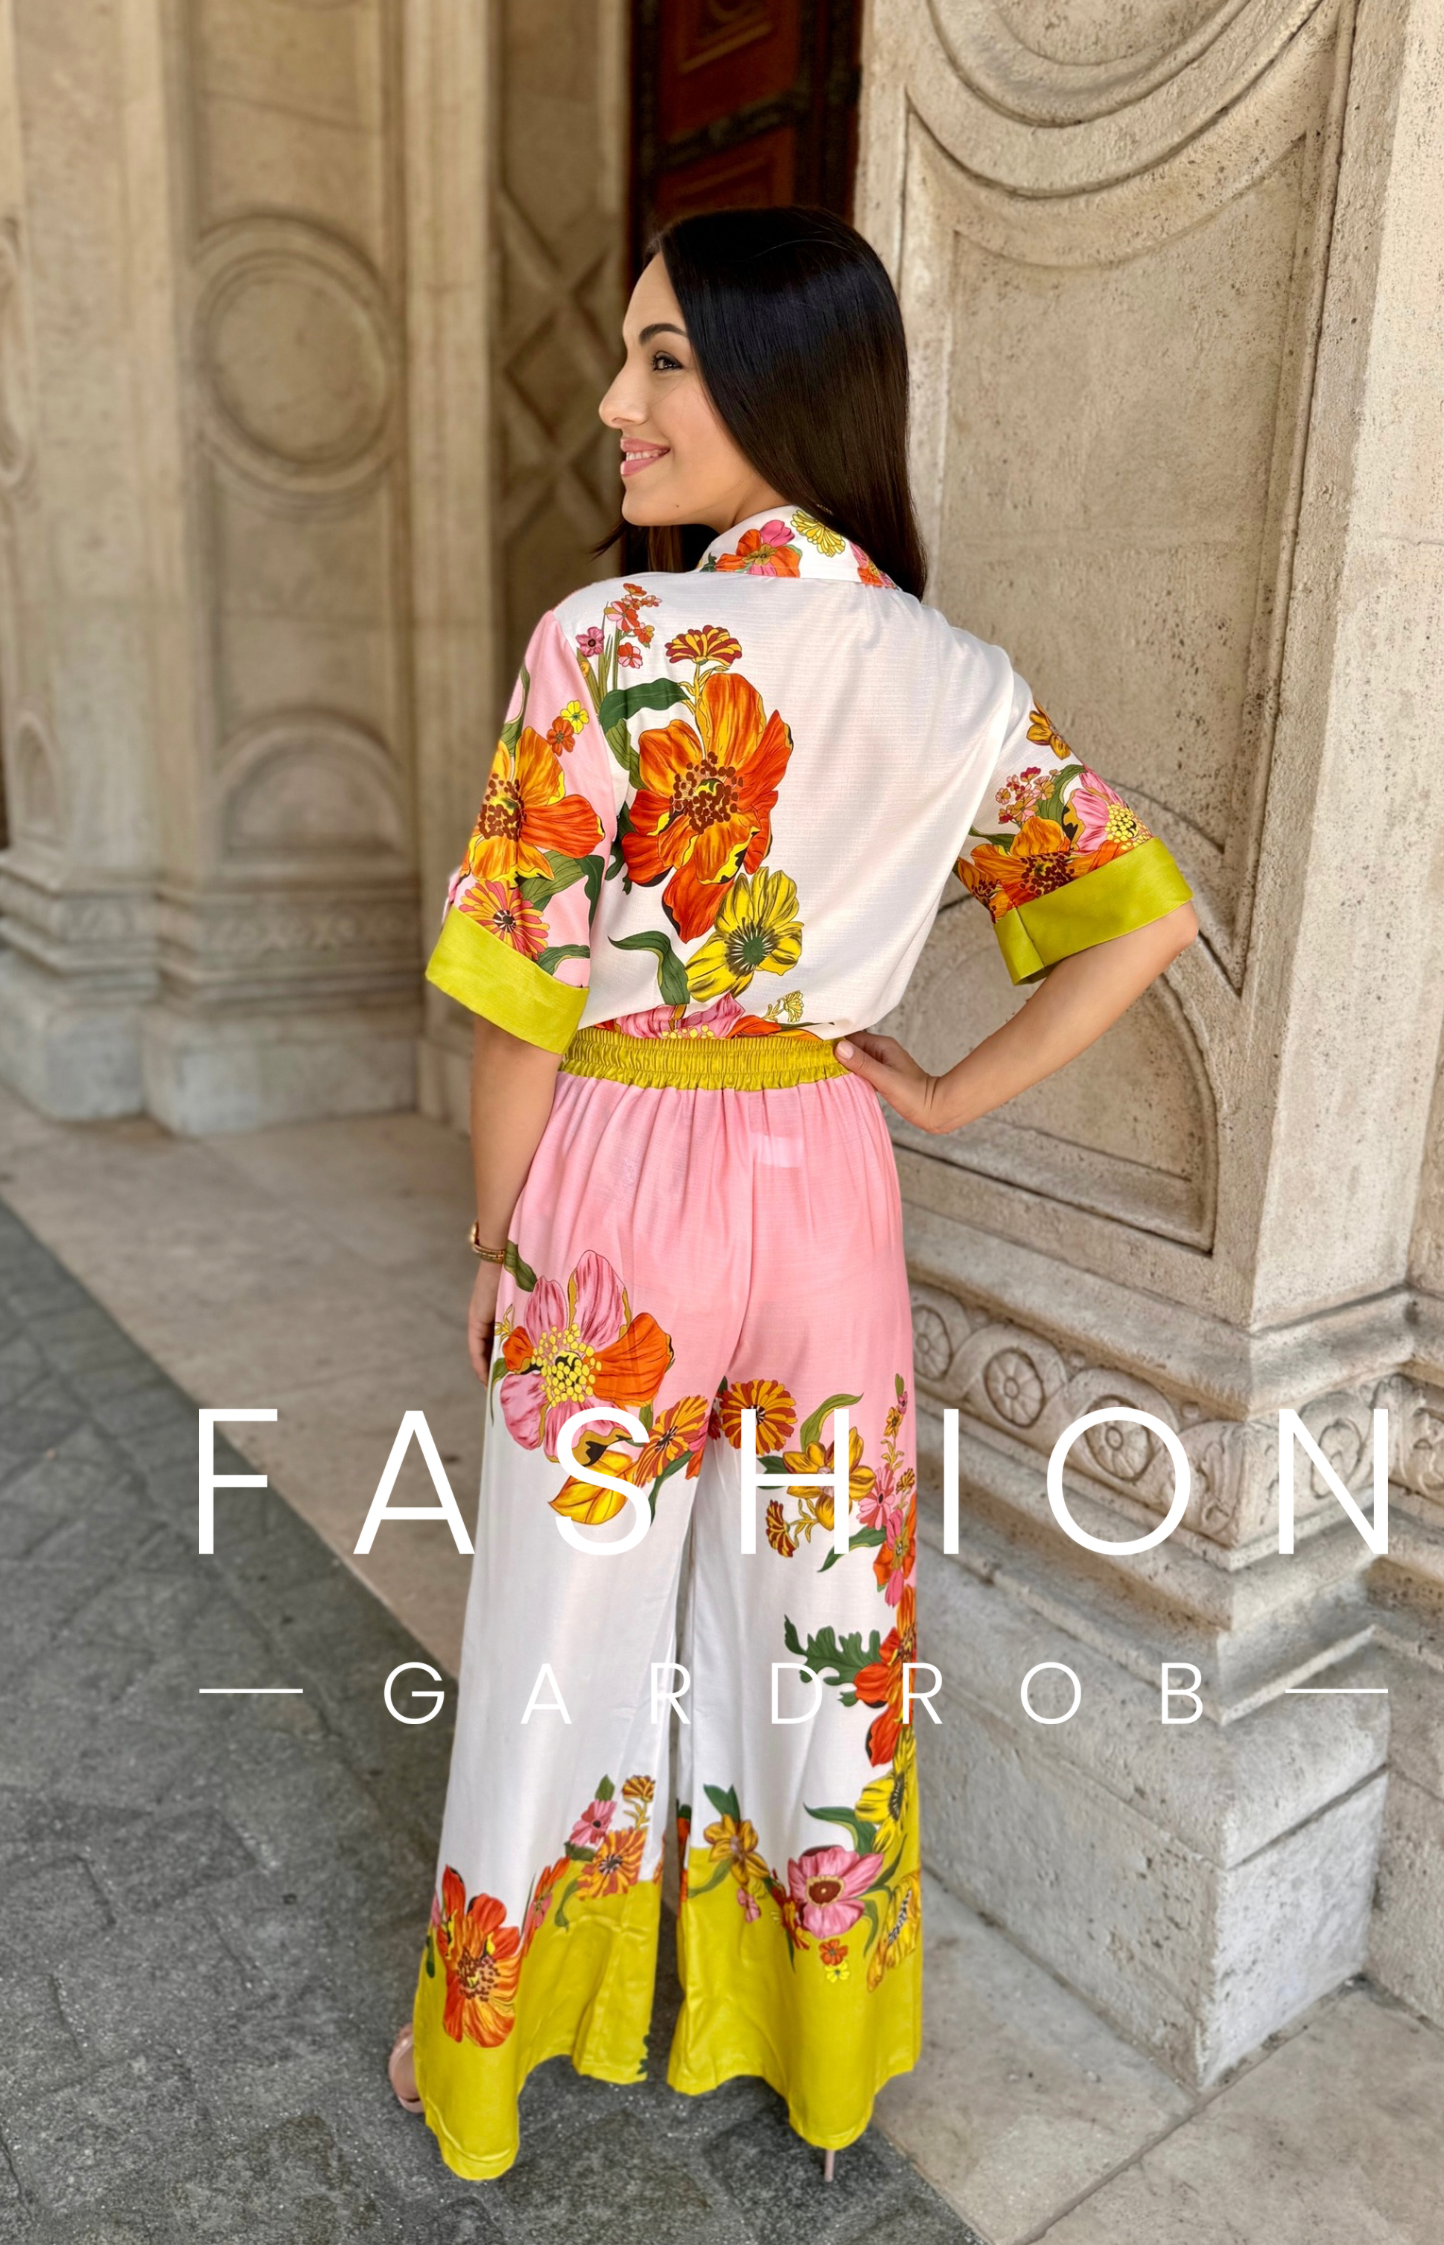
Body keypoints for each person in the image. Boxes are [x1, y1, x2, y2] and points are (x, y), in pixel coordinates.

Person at [387, 205, 1198, 2184]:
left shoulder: (605, 647)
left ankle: (489, 2046)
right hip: (829, 1181)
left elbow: (520, 1009)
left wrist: (497, 1246)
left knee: (560, 1618)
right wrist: (944, 1096)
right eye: (630, 356)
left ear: (782, 376)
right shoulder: (954, 678)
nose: (615, 400)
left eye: (663, 357)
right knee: (823, 1614)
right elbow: (1142, 921)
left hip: (618, 1173)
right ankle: (813, 2048)